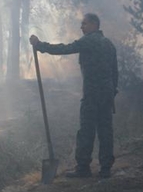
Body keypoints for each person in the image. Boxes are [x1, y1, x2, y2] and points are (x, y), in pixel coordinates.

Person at [30, 13, 118, 178]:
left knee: (86, 130)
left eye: (84, 24)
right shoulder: (109, 44)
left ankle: (83, 168)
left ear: (93, 24)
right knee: (106, 131)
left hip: (92, 94)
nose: (81, 27)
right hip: (106, 94)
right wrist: (113, 91)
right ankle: (106, 168)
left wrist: (40, 45)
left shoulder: (89, 40)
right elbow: (115, 71)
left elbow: (65, 49)